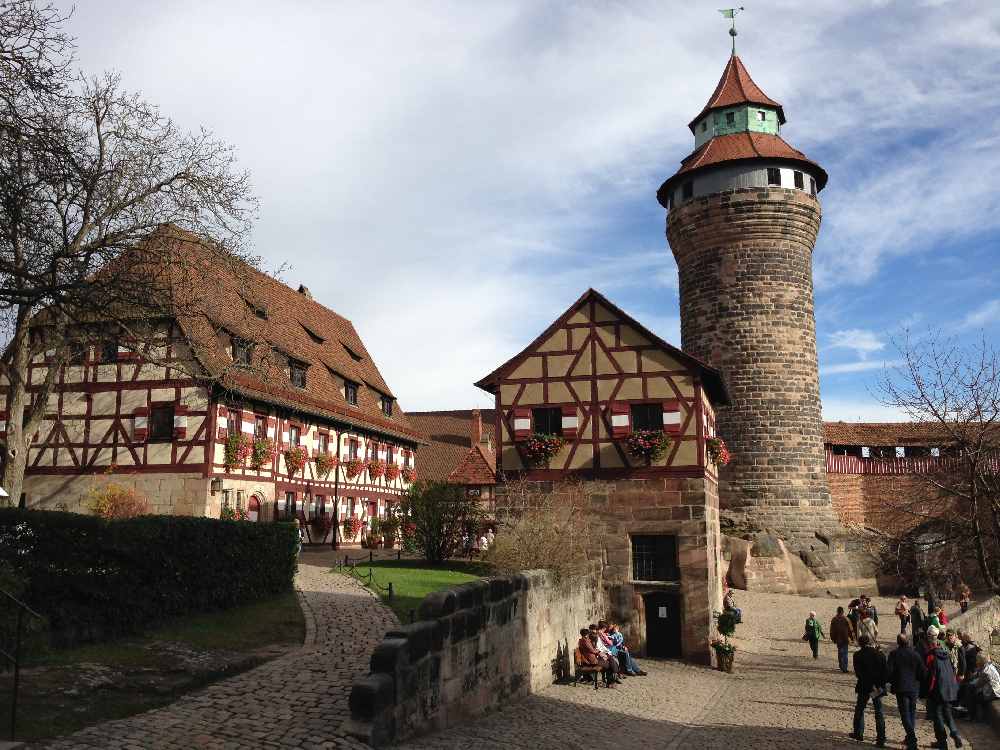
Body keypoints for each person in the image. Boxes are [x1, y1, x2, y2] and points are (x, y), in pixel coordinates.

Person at [924, 625, 964, 749]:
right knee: (947, 714)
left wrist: (928, 691)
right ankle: (955, 733)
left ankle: (942, 742)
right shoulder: (945, 652)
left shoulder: (931, 655)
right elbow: (951, 670)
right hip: (948, 688)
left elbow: (932, 676)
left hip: (937, 690)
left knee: (938, 716)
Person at [888, 633, 925, 750]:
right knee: (912, 713)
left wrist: (893, 680)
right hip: (913, 687)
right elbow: (922, 672)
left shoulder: (894, 654)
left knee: (905, 715)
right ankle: (910, 738)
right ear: (908, 642)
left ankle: (912, 739)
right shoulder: (915, 654)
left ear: (898, 643)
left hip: (901, 688)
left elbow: (889, 672)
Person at [851, 634, 888, 747]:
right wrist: (880, 685)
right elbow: (885, 672)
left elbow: (858, 674)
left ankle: (859, 733)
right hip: (876, 687)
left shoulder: (857, 655)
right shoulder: (879, 654)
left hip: (864, 686)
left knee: (860, 709)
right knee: (879, 712)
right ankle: (880, 738)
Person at [961, 652, 1000, 721]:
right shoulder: (987, 666)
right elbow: (978, 673)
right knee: (970, 689)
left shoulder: (986, 671)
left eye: (977, 660)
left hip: (993, 693)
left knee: (972, 695)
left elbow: (978, 684)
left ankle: (972, 716)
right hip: (992, 689)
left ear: (980, 661)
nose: (976, 661)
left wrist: (970, 682)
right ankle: (968, 711)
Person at [830, 606, 855, 674]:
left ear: (837, 611)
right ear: (843, 612)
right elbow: (851, 629)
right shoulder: (846, 619)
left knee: (840, 652)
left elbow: (831, 630)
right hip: (845, 638)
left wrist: (833, 638)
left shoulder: (834, 619)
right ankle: (844, 668)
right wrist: (853, 638)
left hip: (838, 639)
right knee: (845, 653)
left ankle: (841, 666)